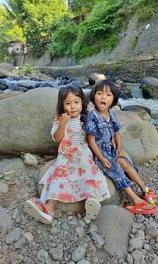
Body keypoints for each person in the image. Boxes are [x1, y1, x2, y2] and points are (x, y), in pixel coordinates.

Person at [24, 86, 110, 224]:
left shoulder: (86, 118)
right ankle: (49, 209)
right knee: (59, 175)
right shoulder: (59, 119)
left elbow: (95, 136)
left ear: (82, 102)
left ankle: (92, 201)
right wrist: (63, 124)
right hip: (66, 154)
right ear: (62, 105)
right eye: (68, 103)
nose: (73, 107)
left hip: (82, 152)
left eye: (76, 102)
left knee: (90, 170)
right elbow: (57, 138)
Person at [85, 79, 158, 214]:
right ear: (93, 96)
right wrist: (101, 159)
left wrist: (119, 149)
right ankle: (137, 201)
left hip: (111, 150)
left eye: (108, 95)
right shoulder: (92, 117)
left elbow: (117, 132)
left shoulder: (110, 114)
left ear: (113, 100)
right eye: (100, 93)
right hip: (99, 155)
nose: (103, 97)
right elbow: (91, 141)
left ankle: (144, 189)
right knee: (117, 171)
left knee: (125, 163)